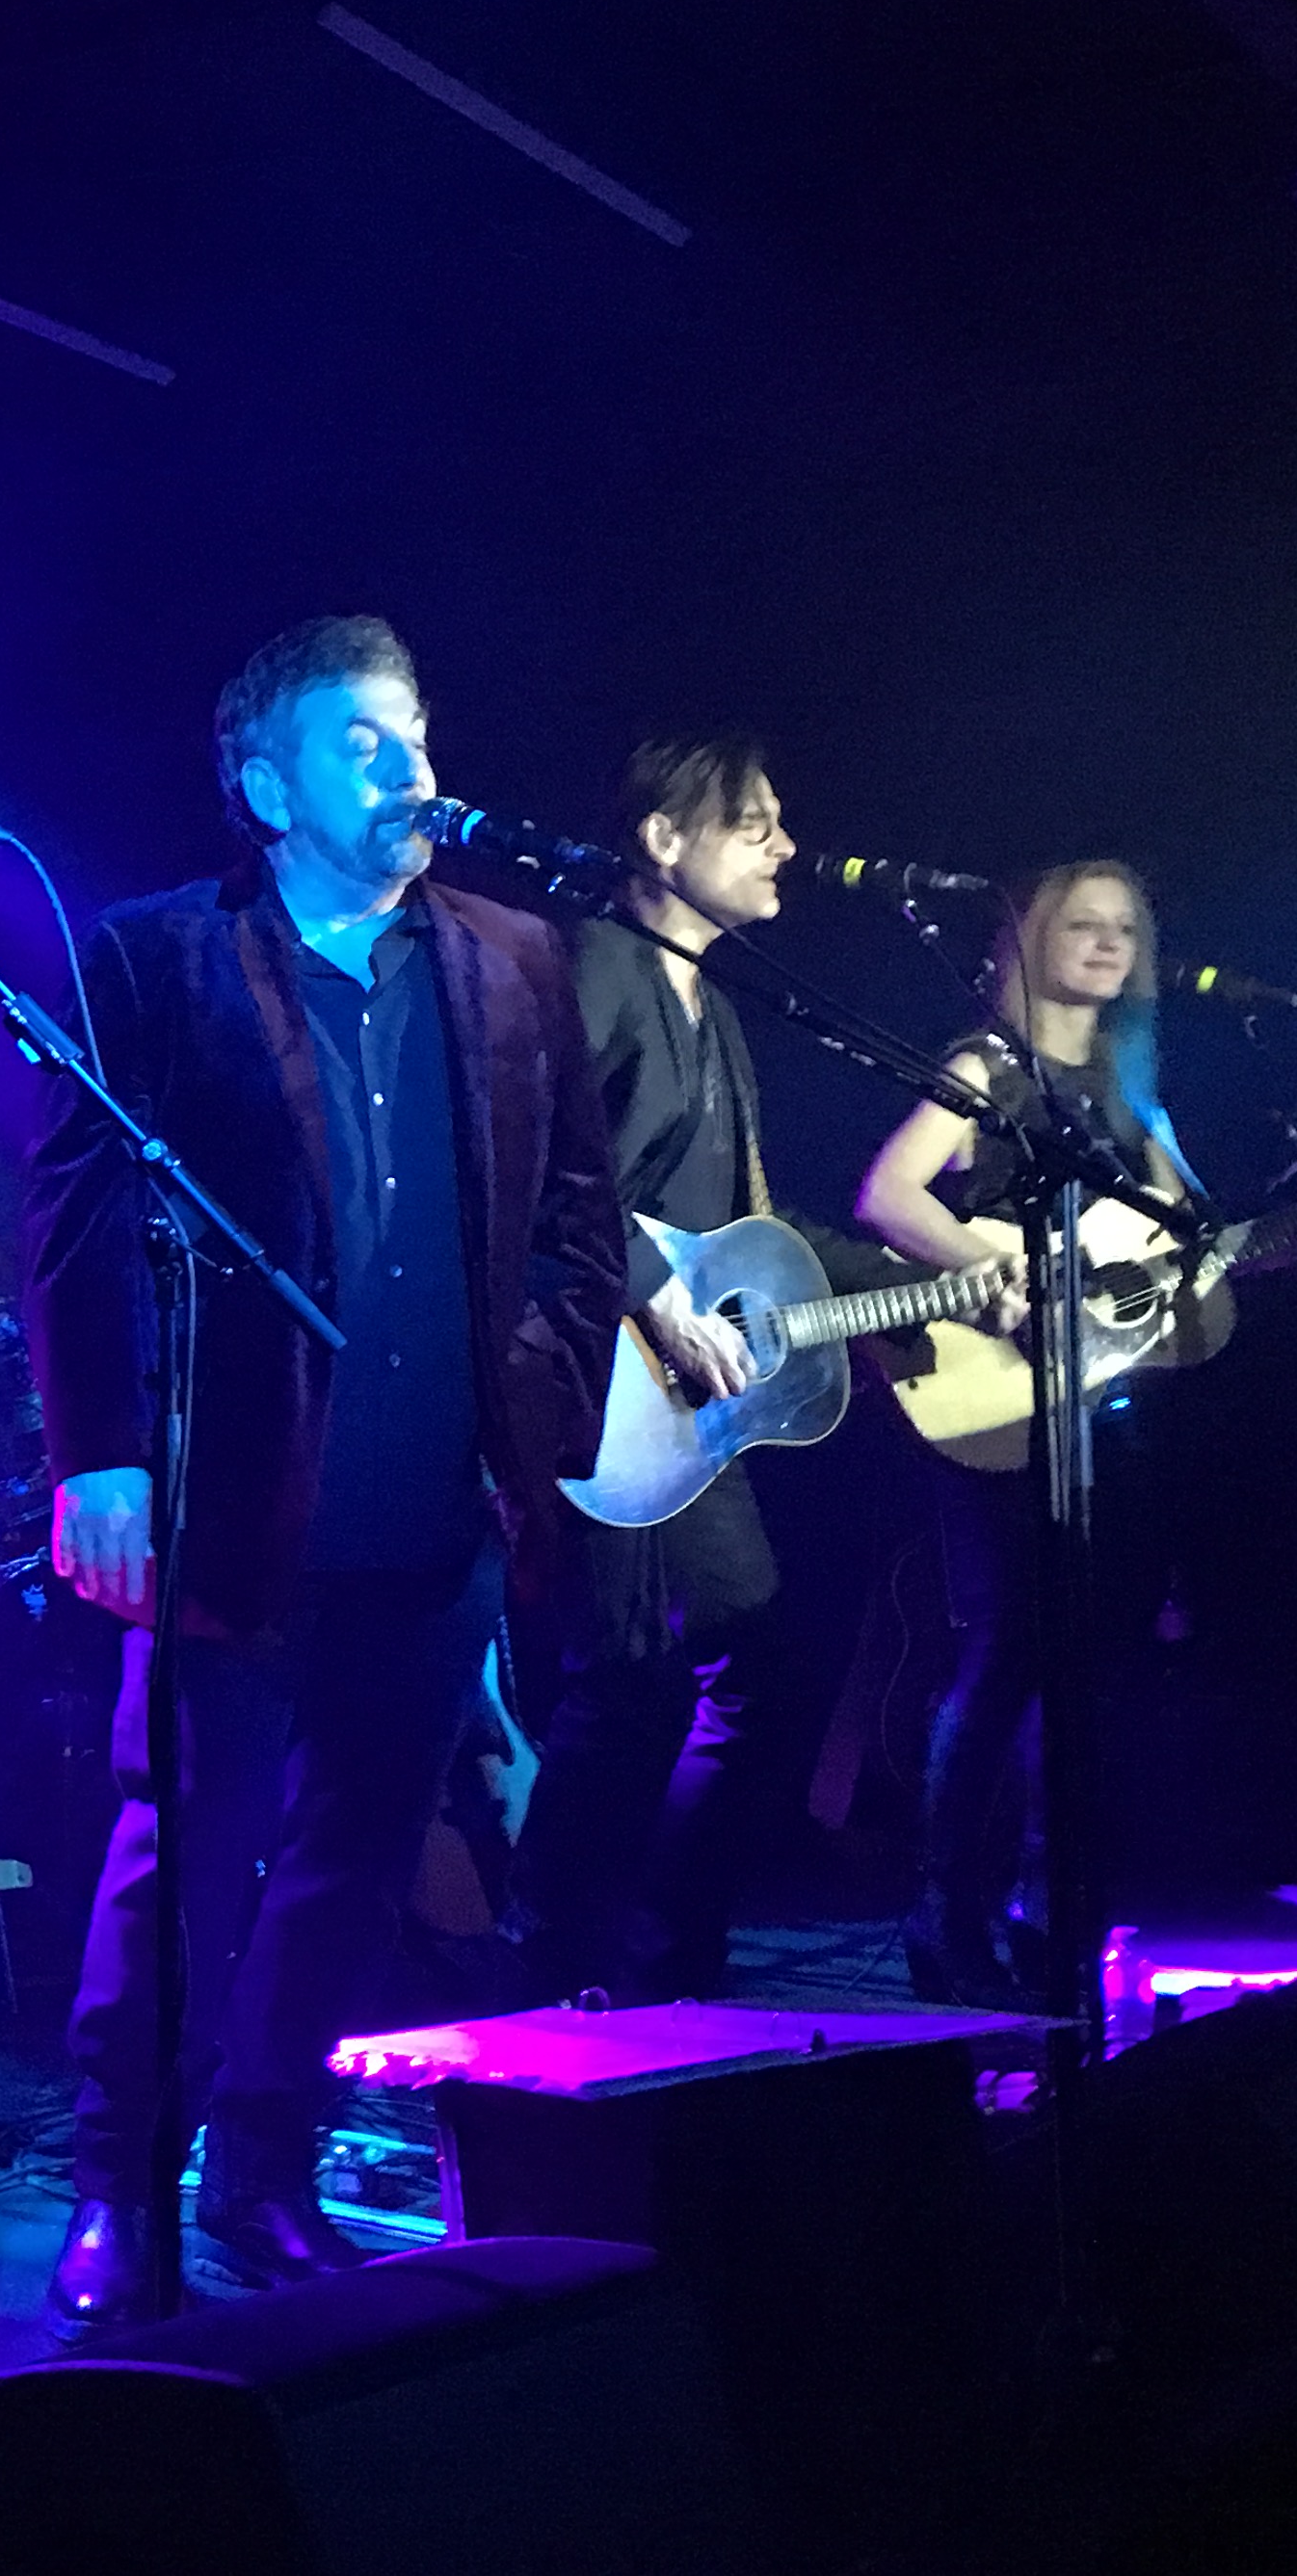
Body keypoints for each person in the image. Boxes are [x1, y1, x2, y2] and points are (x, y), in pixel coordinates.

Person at [25, 613, 622, 2335]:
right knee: (188, 1851)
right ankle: (119, 2180)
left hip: (440, 1498)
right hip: (234, 1494)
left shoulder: (515, 954)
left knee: (358, 1855)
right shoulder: (156, 953)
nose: (408, 763)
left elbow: (578, 1217)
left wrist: (535, 1402)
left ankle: (264, 2170)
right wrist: (102, 1454)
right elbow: (74, 1216)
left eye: (414, 728)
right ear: (267, 784)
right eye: (361, 739)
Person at [499, 738, 1007, 2003]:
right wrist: (658, 1292)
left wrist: (942, 1285)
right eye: (754, 823)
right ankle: (550, 1959)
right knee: (626, 1680)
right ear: (663, 840)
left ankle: (667, 1954)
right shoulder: (598, 967)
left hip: (692, 1406)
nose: (785, 845)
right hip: (596, 1376)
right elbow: (534, 1167)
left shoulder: (719, 1009)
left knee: (754, 1670)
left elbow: (756, 1228)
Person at [856, 860, 1192, 2008]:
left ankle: (1052, 1911)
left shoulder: (1131, 1094)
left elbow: (1189, 1242)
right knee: (1004, 1654)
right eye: (1082, 924)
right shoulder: (986, 1067)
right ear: (1034, 938)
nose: (1106, 944)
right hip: (998, 1400)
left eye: (1125, 929)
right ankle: (943, 1909)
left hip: (1107, 1414)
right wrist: (999, 1267)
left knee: (1091, 1666)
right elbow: (890, 1195)